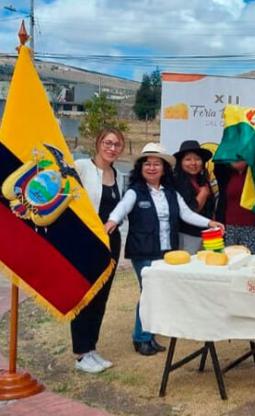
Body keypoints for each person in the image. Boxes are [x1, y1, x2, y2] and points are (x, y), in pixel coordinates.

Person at [106, 143, 224, 356]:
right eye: (147, 164)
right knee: (149, 292)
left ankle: (149, 336)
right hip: (143, 250)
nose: (152, 168)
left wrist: (209, 223)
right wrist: (111, 222)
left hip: (165, 251)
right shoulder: (135, 191)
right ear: (141, 168)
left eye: (156, 164)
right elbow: (121, 208)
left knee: (157, 293)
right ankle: (141, 338)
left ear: (164, 169)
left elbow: (187, 214)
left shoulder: (170, 193)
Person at [71, 128, 125, 373]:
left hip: (111, 243)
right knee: (85, 296)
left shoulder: (118, 175)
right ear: (98, 143)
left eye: (117, 145)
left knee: (101, 298)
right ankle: (81, 354)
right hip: (86, 242)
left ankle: (91, 348)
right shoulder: (82, 166)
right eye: (108, 142)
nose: (112, 148)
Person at [173, 140, 215, 254]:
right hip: (187, 234)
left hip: (206, 233)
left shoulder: (202, 179)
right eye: (188, 159)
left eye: (197, 159)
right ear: (180, 162)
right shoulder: (177, 181)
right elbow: (191, 211)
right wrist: (203, 194)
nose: (193, 163)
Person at [214, 161, 255, 255]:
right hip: (228, 228)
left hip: (251, 228)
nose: (237, 159)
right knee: (228, 262)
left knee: (249, 262)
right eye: (234, 155)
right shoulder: (224, 173)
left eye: (241, 156)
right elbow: (219, 158)